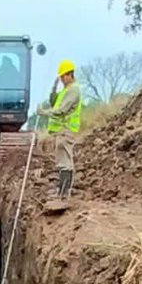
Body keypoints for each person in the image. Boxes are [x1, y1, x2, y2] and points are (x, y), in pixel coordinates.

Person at [36, 60, 82, 198]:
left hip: (66, 130)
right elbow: (55, 103)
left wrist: (44, 112)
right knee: (62, 162)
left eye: (63, 77)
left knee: (65, 162)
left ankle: (63, 193)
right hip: (61, 131)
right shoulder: (66, 90)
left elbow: (61, 110)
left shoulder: (73, 90)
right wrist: (53, 89)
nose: (61, 79)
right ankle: (61, 191)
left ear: (69, 75)